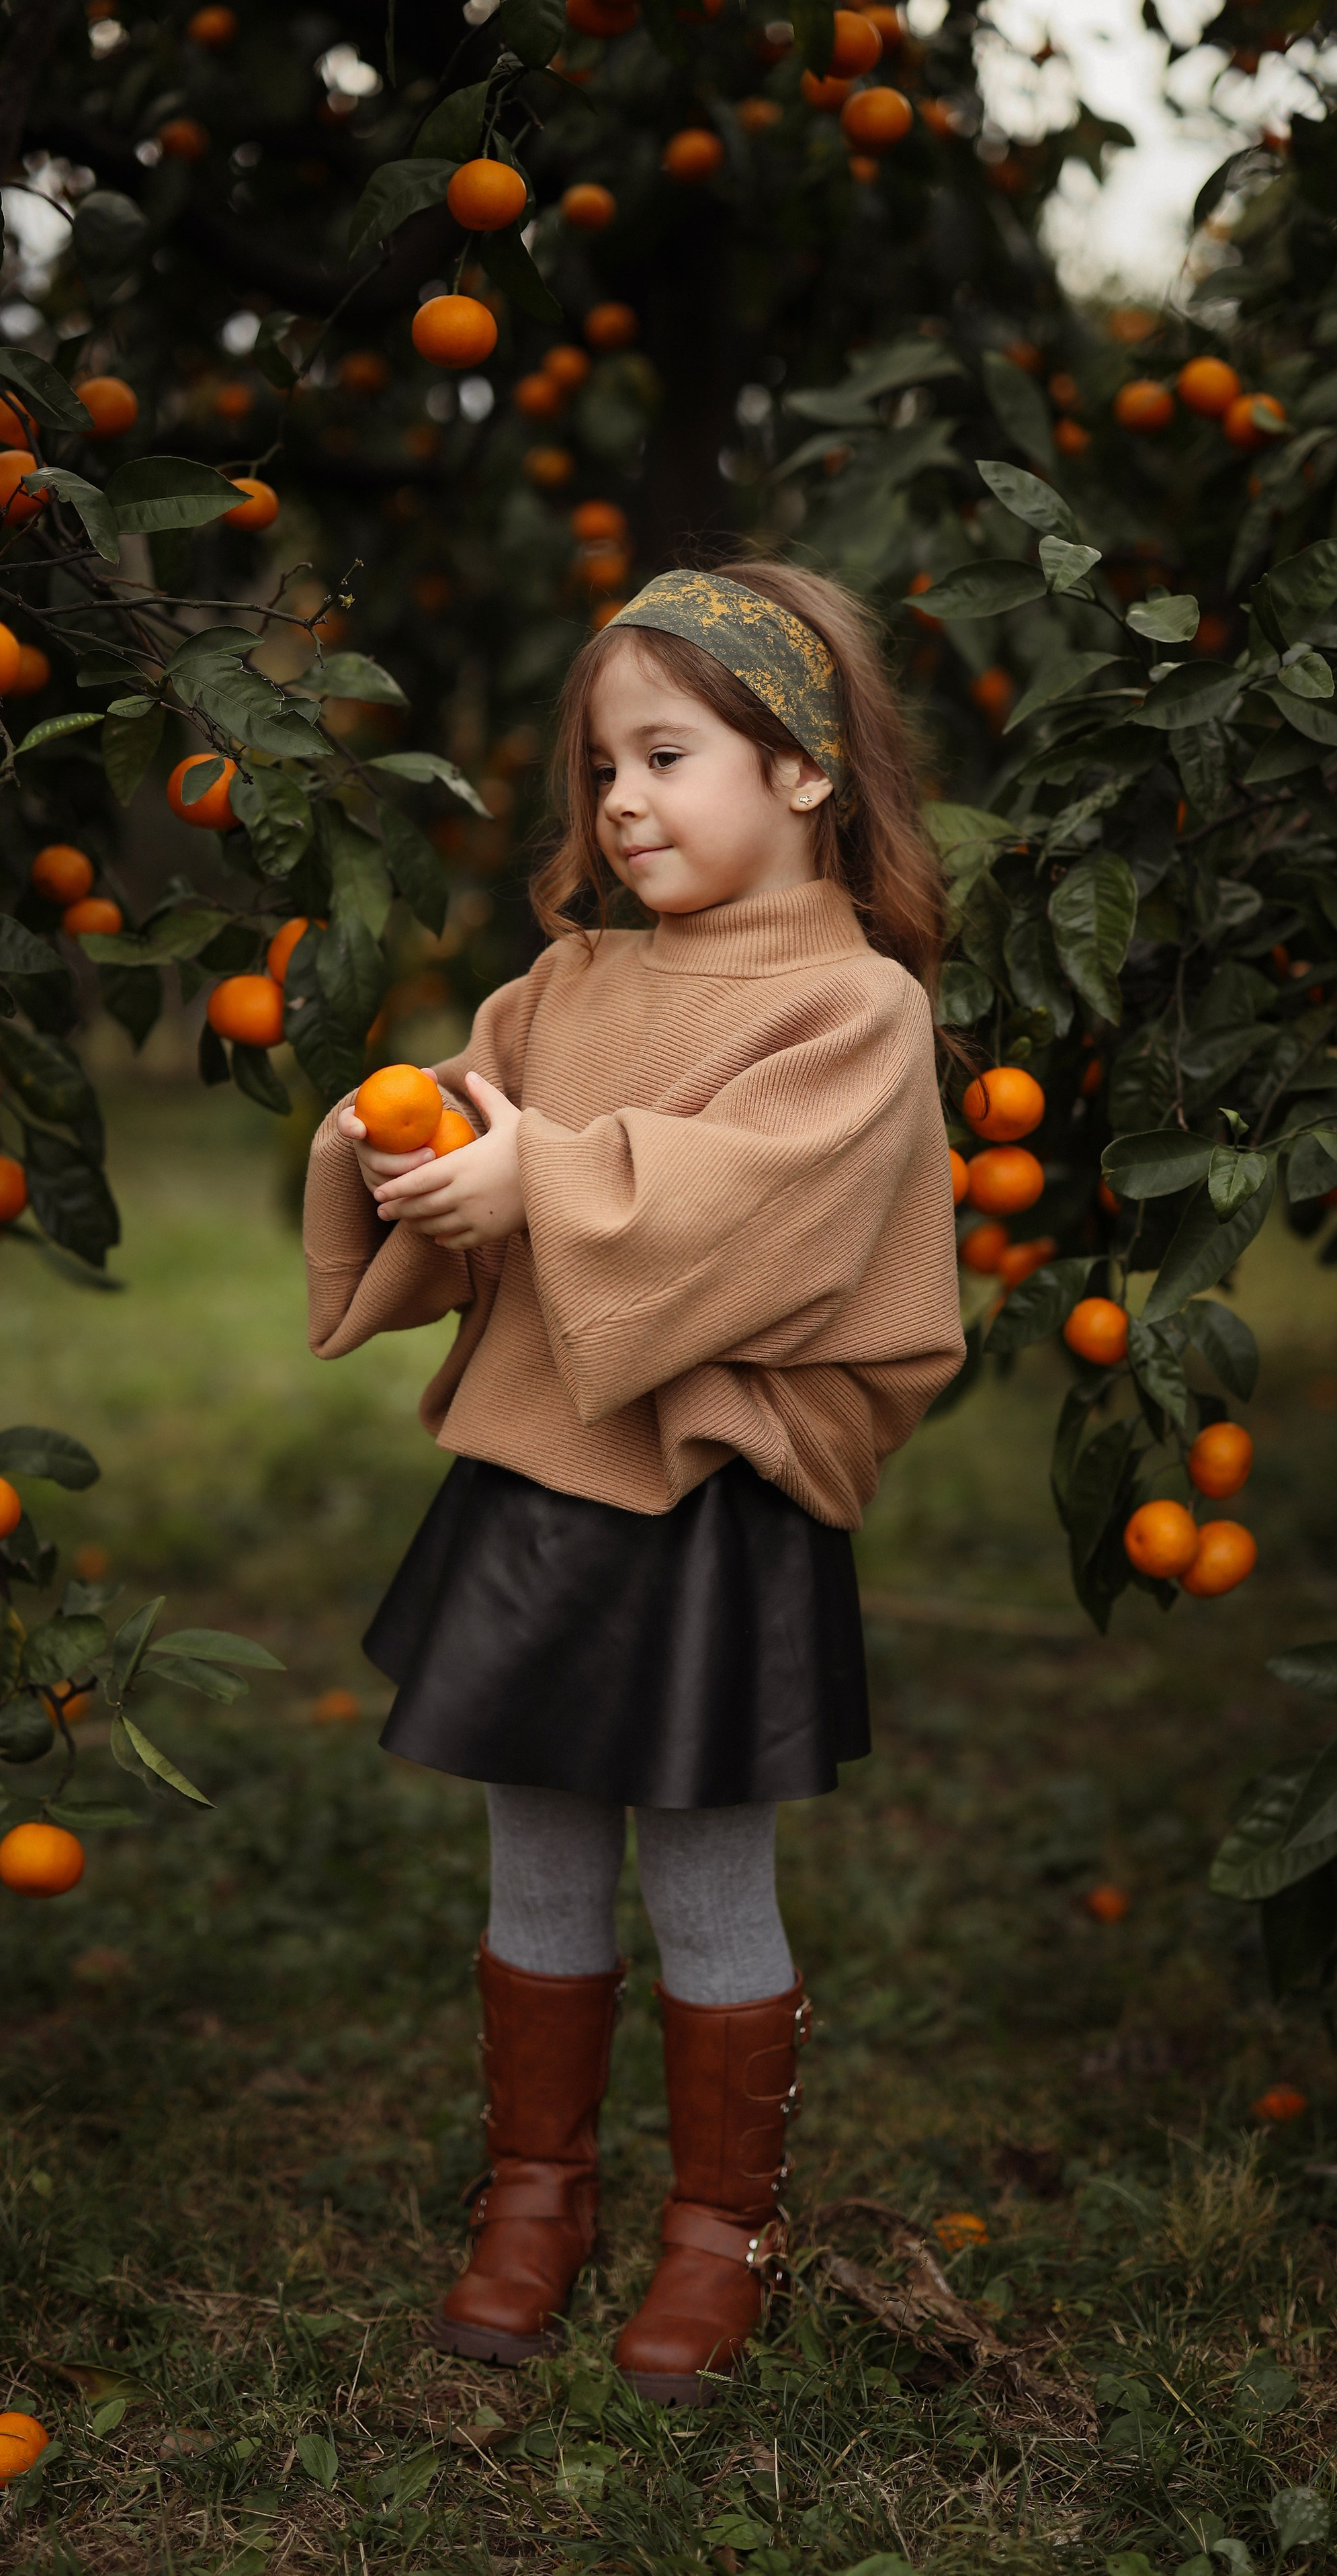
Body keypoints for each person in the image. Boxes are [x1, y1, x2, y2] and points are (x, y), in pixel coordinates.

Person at [302, 561, 964, 2405]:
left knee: (700, 1866)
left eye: (667, 755)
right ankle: (538, 2199)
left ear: (810, 770)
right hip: (540, 1479)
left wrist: (547, 1185)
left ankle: (718, 2231)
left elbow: (759, 1211)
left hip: (711, 1497)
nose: (621, 803)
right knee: (534, 1842)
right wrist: (407, 1144)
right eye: (603, 765)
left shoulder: (855, 1010)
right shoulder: (569, 982)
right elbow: (489, 1119)